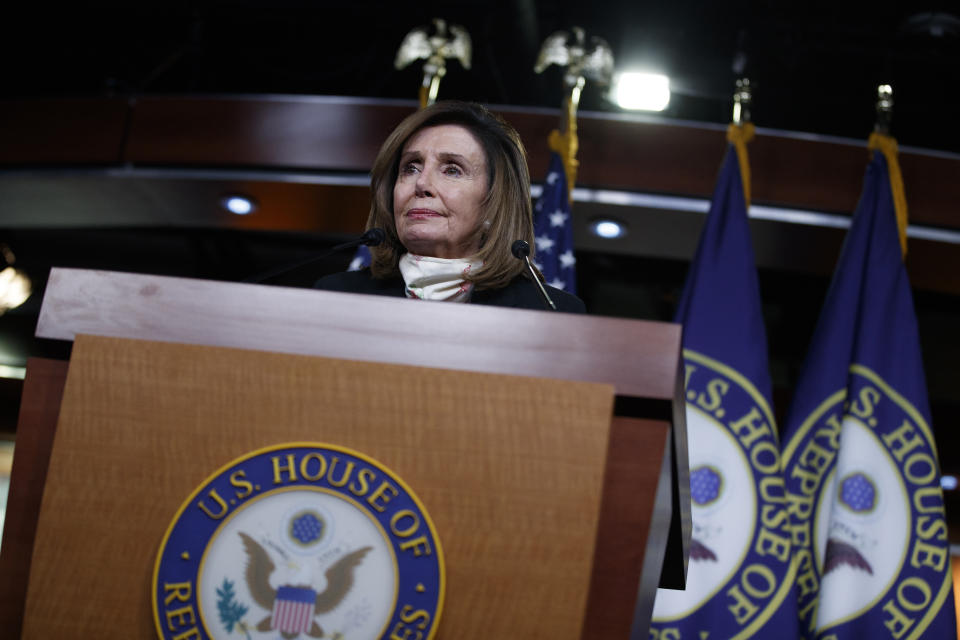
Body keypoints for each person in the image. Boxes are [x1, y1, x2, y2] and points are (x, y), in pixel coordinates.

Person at [314, 101, 584, 313]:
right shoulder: (336, 297)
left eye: (452, 170)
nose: (421, 183)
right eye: (410, 167)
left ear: (494, 201)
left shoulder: (548, 312)